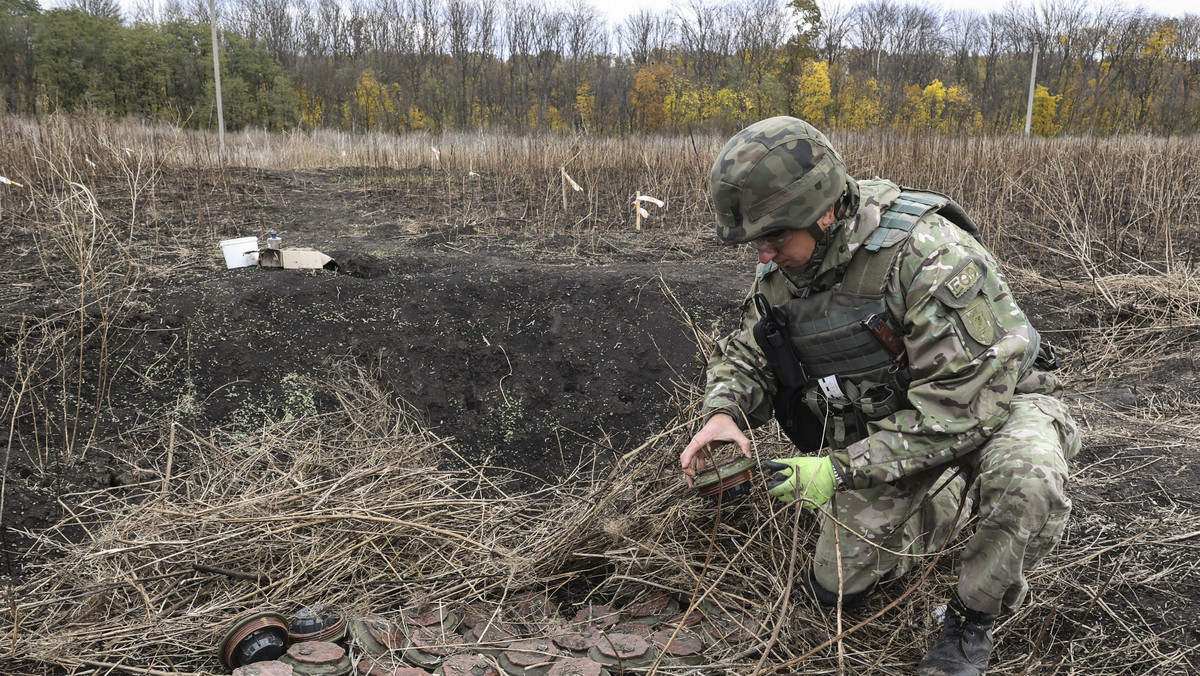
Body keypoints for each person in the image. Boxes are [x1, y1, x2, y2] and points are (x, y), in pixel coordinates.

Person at [679, 116, 1080, 676]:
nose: (764, 254)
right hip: (901, 427)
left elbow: (963, 409)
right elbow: (749, 354)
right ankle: (942, 499)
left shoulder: (929, 254)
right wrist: (724, 412)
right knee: (838, 582)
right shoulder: (788, 274)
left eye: (774, 238)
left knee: (1028, 481)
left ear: (822, 211)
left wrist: (840, 471)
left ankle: (971, 618)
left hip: (1001, 406)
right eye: (756, 242)